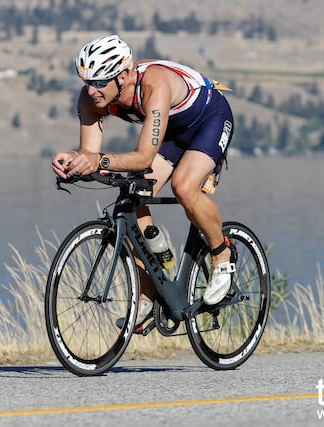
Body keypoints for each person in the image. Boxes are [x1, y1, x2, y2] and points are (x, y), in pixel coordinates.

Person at [52, 34, 235, 328]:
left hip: (208, 120)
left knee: (184, 188)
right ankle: (149, 293)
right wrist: (74, 161)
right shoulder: (91, 99)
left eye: (100, 81)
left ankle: (222, 254)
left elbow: (144, 158)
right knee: (131, 200)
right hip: (169, 133)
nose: (91, 89)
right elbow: (89, 152)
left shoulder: (154, 84)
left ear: (123, 75)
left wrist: (98, 161)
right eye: (86, 80)